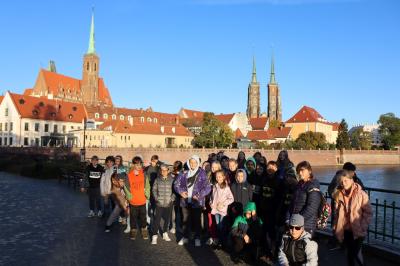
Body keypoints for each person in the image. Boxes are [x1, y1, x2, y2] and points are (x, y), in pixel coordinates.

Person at [332, 170, 372, 266]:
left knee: (355, 254)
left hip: (358, 230)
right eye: (341, 181)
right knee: (350, 255)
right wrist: (335, 226)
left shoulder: (361, 194)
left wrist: (362, 226)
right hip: (345, 230)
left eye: (346, 180)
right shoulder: (338, 194)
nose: (343, 183)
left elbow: (368, 212)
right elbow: (336, 213)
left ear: (352, 180)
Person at [174, 155, 212, 247]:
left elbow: (207, 187)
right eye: (191, 162)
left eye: (195, 162)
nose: (193, 164)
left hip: (197, 202)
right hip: (185, 201)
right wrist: (181, 192)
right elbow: (176, 184)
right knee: (185, 220)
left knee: (197, 221)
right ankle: (185, 237)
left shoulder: (202, 173)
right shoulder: (184, 173)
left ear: (198, 163)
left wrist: (199, 195)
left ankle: (197, 238)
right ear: (188, 163)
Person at [289, 161, 321, 236]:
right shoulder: (299, 185)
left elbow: (312, 208)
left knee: (303, 246)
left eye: (302, 170)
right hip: (295, 222)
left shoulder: (313, 186)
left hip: (307, 224)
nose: (300, 173)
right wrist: (288, 218)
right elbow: (292, 203)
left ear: (309, 171)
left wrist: (297, 220)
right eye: (298, 171)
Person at [259, 161, 282, 259]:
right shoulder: (263, 179)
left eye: (272, 167)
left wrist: (277, 212)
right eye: (268, 167)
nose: (270, 169)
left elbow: (280, 198)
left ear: (276, 169)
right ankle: (265, 250)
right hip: (263, 209)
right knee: (263, 231)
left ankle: (273, 252)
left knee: (272, 233)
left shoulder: (279, 181)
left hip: (273, 211)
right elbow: (261, 194)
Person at [127, 156, 150, 240]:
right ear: (133, 165)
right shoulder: (129, 176)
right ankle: (133, 230)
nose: (139, 166)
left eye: (140, 164)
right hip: (133, 201)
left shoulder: (144, 175)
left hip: (142, 201)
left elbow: (147, 186)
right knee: (133, 217)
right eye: (137, 165)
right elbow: (126, 187)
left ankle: (144, 229)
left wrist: (147, 194)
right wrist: (129, 197)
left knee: (143, 217)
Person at [151, 164, 175, 245]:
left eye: (165, 170)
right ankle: (154, 236)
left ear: (168, 171)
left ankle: (165, 233)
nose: (163, 172)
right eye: (162, 170)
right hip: (159, 203)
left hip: (168, 203)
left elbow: (175, 191)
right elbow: (154, 190)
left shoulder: (172, 180)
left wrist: (172, 199)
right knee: (157, 220)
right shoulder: (157, 180)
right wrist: (156, 198)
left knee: (167, 220)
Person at [210, 170, 234, 246]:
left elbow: (231, 199)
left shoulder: (226, 187)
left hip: (223, 211)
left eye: (219, 176)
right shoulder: (215, 186)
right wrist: (210, 203)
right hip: (216, 210)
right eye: (216, 177)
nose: (218, 178)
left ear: (223, 177)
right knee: (218, 226)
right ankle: (220, 241)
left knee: (222, 226)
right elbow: (212, 197)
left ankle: (222, 241)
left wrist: (223, 204)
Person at [145, 155, 162, 227]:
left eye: (155, 161)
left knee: (154, 205)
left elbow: (164, 166)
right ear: (151, 160)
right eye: (152, 161)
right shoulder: (147, 168)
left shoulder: (158, 168)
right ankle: (147, 221)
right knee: (147, 205)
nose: (153, 163)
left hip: (155, 188)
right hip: (148, 188)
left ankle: (155, 222)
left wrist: (158, 162)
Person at [170, 160, 183, 235]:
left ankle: (174, 227)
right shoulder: (182, 174)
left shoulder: (172, 174)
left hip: (175, 195)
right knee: (177, 212)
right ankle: (176, 227)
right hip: (177, 195)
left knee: (175, 212)